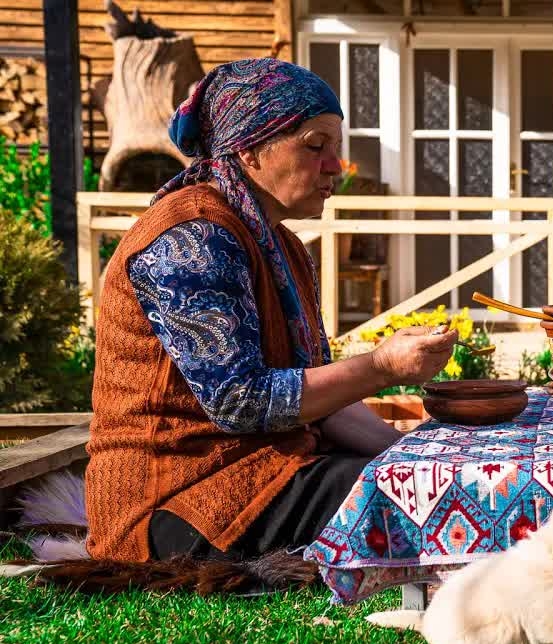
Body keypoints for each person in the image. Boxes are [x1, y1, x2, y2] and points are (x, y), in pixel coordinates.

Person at [85, 59, 458, 564]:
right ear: (247, 150)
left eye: (336, 148)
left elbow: (317, 398)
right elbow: (239, 402)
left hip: (263, 468)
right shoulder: (192, 238)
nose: (335, 167)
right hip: (174, 503)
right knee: (408, 495)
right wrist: (381, 367)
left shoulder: (281, 246)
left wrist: (414, 453)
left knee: (412, 477)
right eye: (314, 145)